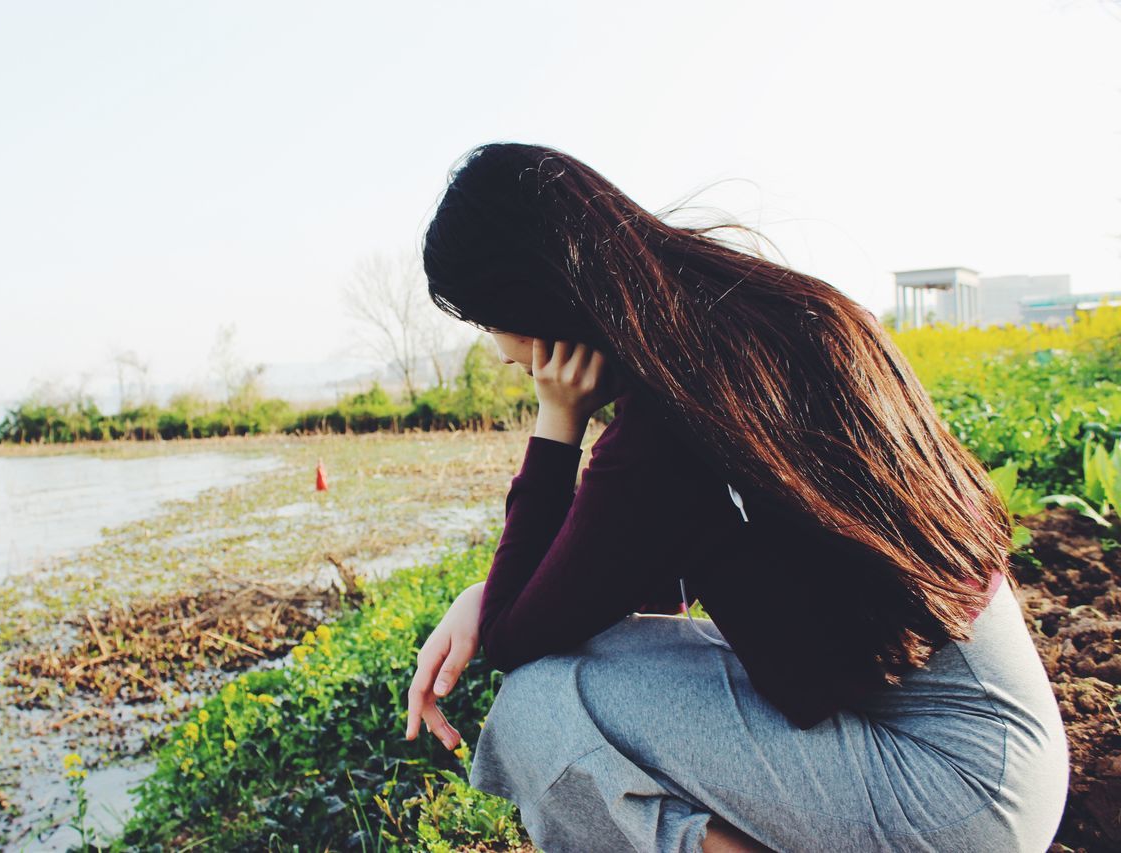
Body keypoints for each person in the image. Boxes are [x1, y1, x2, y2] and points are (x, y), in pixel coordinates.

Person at [402, 141, 1069, 852]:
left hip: (952, 790)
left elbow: (515, 642)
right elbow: (626, 596)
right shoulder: (753, 328)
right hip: (1007, 748)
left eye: (486, 321)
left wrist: (556, 423)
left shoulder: (671, 424)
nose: (501, 351)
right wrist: (490, 594)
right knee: (582, 672)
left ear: (530, 296)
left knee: (536, 706)